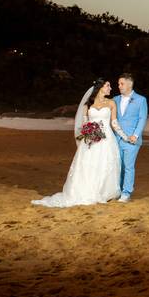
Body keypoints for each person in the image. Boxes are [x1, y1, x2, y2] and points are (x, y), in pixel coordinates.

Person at [31, 78, 129, 207]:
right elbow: (85, 123)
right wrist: (89, 133)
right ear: (100, 87)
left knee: (105, 164)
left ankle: (103, 192)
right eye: (108, 86)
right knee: (89, 165)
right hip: (92, 139)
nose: (110, 88)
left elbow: (114, 123)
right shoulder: (88, 105)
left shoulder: (111, 103)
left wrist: (126, 137)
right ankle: (87, 191)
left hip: (107, 139)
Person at [113, 73, 148, 202]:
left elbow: (142, 118)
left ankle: (126, 192)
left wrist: (135, 135)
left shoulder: (140, 100)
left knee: (128, 166)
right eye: (118, 84)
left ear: (129, 84)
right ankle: (119, 190)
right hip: (116, 138)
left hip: (131, 139)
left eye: (121, 83)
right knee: (118, 166)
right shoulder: (115, 99)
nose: (119, 86)